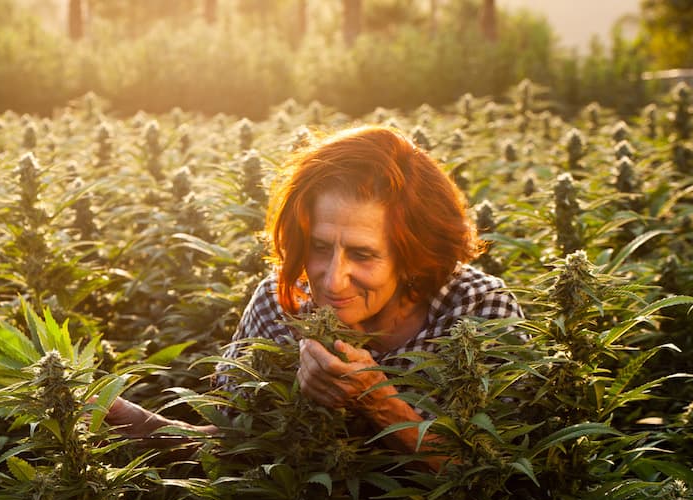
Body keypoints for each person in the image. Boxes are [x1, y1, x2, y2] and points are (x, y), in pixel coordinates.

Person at [105, 124, 523, 467]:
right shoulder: (279, 298)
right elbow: (231, 448)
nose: (333, 279)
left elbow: (502, 476)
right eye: (320, 247)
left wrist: (380, 403)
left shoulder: (478, 309)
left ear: (415, 256)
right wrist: (140, 424)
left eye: (362, 254)